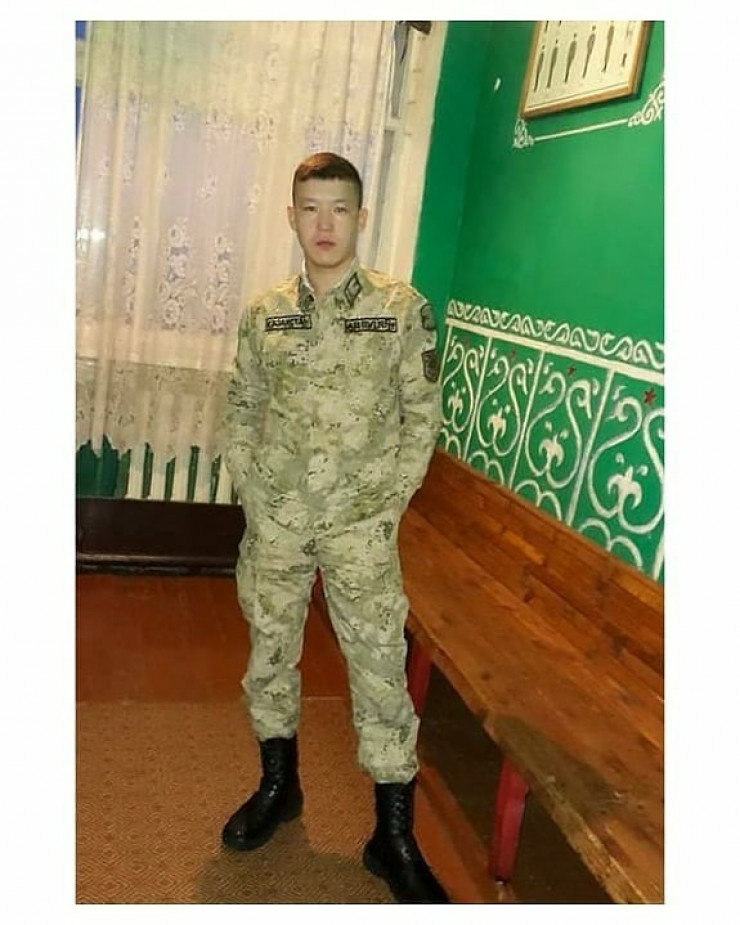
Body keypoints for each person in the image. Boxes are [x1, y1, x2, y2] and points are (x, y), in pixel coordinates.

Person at [221, 151, 447, 904]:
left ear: (362, 218)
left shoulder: (400, 309)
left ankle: (392, 837)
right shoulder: (265, 313)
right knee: (269, 656)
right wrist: (253, 488)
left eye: (340, 208)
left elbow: (421, 418)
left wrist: (386, 505)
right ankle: (278, 787)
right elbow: (242, 405)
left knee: (380, 671)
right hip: (278, 521)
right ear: (292, 217)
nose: (324, 224)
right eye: (311, 208)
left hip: (360, 527)